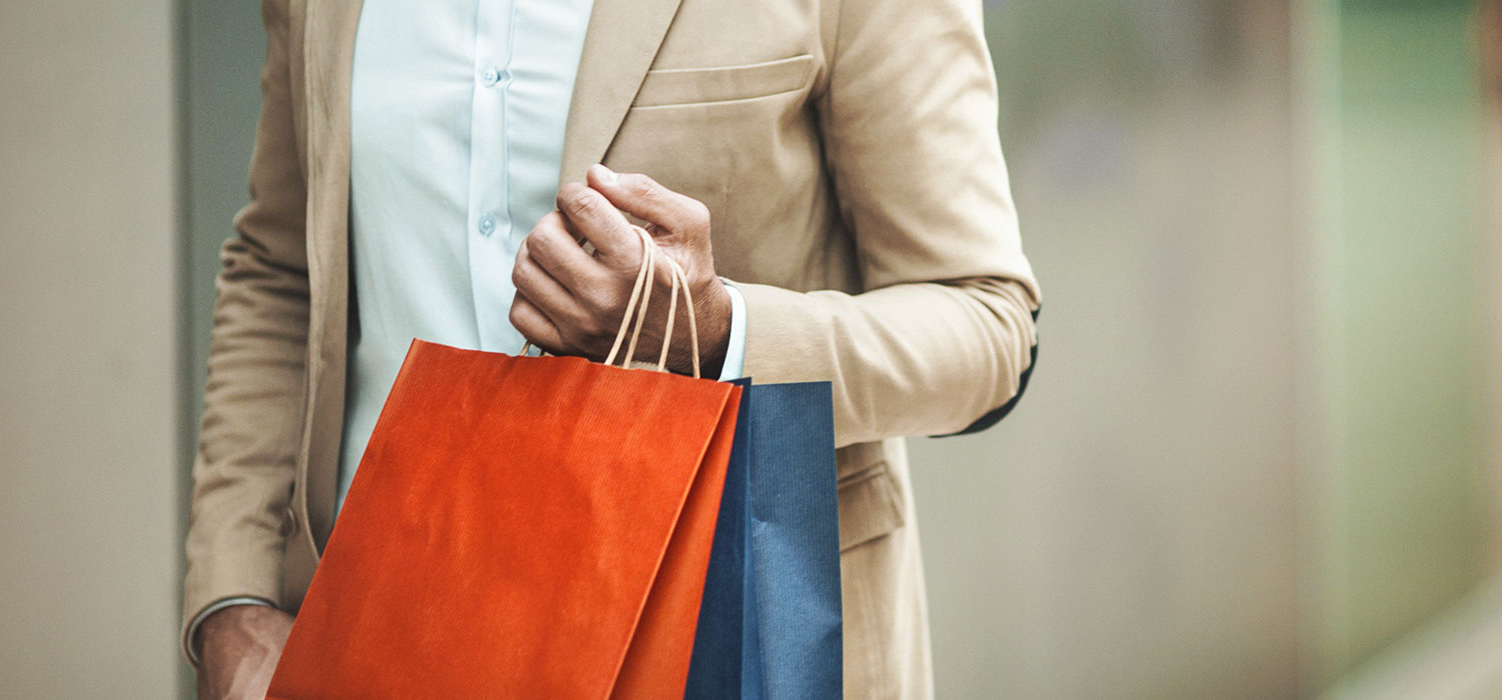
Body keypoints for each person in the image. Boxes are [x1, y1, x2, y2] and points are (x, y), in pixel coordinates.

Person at [182, 0, 1040, 697]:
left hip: (711, 635)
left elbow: (986, 322)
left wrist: (713, 331)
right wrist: (233, 600)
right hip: (378, 633)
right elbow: (282, 265)